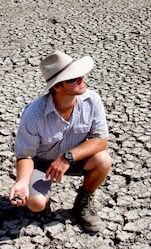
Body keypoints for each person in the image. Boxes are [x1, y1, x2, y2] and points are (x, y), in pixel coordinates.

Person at [8, 50, 112, 232]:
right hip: (41, 165)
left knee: (103, 160)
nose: (81, 79)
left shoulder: (92, 101)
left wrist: (67, 158)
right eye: (73, 78)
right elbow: (25, 155)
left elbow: (100, 140)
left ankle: (84, 201)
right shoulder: (33, 114)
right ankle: (43, 198)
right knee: (35, 204)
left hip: (72, 159)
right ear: (57, 87)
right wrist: (22, 182)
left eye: (80, 75)